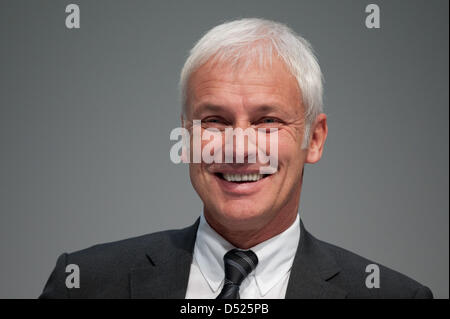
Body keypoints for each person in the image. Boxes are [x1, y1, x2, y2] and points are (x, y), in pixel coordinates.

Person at [40, 18, 433, 299]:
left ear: (313, 139)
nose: (240, 148)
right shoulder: (84, 284)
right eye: (215, 120)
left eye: (268, 121)